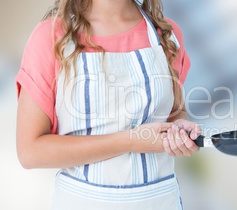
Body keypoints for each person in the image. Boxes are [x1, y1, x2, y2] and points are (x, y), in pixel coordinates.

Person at [16, 0, 200, 209]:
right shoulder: (51, 38)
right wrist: (129, 141)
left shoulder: (166, 36)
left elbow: (176, 112)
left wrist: (180, 128)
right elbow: (30, 152)